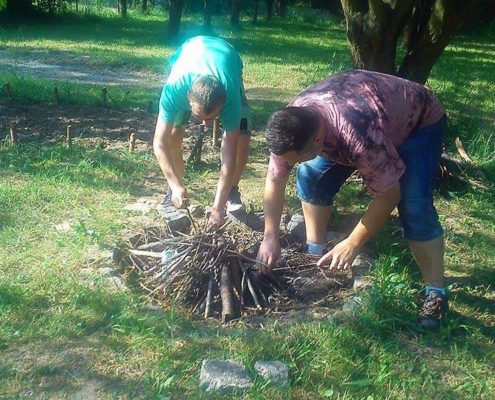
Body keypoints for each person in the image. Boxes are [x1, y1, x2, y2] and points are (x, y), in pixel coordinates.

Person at [257, 69, 448, 330]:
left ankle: (435, 292)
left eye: (294, 157)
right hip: (367, 111)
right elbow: (275, 179)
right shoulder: (291, 124)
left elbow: (389, 194)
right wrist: (270, 236)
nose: (287, 164)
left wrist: (352, 243)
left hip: (417, 122)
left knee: (414, 206)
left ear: (316, 140)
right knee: (310, 175)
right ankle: (316, 253)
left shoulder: (357, 134)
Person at [153, 35, 251, 227]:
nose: (205, 125)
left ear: (222, 105)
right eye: (200, 117)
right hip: (190, 49)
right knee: (173, 136)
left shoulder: (230, 97)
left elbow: (228, 157)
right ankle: (173, 191)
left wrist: (217, 209)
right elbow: (159, 142)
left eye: (212, 118)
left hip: (227, 56)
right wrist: (175, 185)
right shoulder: (174, 90)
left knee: (241, 139)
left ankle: (231, 191)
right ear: (188, 100)